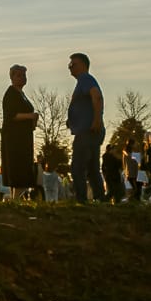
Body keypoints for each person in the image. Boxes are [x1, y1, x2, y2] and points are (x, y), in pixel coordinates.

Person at [65, 53, 106, 203]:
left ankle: (81, 199)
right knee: (92, 167)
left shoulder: (85, 79)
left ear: (82, 65)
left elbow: (97, 96)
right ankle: (100, 197)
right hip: (88, 130)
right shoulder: (83, 81)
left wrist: (97, 119)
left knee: (78, 167)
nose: (70, 68)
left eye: (72, 64)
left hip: (88, 131)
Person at [1, 66, 39, 200]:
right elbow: (11, 115)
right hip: (14, 137)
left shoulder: (22, 95)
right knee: (17, 166)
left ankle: (14, 198)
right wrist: (30, 116)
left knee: (24, 165)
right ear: (12, 77)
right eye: (19, 75)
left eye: (24, 75)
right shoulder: (11, 94)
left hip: (24, 136)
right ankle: (14, 197)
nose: (22, 78)